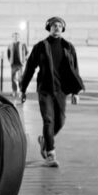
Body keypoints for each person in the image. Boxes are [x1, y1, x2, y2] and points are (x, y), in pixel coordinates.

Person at [20, 16, 84, 168]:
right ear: (49, 28)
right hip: (45, 90)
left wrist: (76, 92)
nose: (57, 28)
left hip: (61, 90)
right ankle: (50, 154)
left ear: (63, 28)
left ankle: (44, 140)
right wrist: (23, 89)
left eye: (59, 25)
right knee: (49, 120)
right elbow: (29, 68)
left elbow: (75, 70)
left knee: (60, 121)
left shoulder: (68, 47)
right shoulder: (40, 46)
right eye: (54, 25)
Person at [6, 31, 28, 97]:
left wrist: (24, 60)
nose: (16, 38)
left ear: (19, 37)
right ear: (12, 37)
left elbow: (26, 53)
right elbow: (8, 54)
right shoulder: (10, 45)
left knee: (20, 78)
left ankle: (21, 91)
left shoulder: (23, 44)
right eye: (14, 36)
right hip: (13, 64)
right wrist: (10, 61)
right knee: (13, 78)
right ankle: (14, 91)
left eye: (17, 36)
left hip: (20, 64)